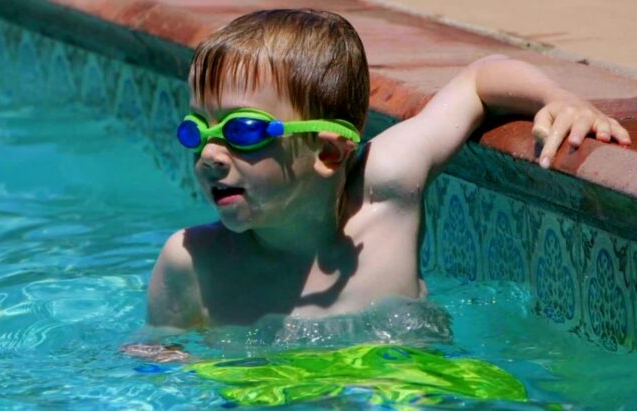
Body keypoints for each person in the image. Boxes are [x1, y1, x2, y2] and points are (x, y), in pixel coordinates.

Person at [125, 9, 630, 359]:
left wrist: (558, 98)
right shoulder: (191, 263)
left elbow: (480, 79)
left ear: (326, 152)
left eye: (243, 131)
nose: (210, 156)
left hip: (404, 386)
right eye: (198, 130)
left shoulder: (387, 190)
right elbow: (160, 362)